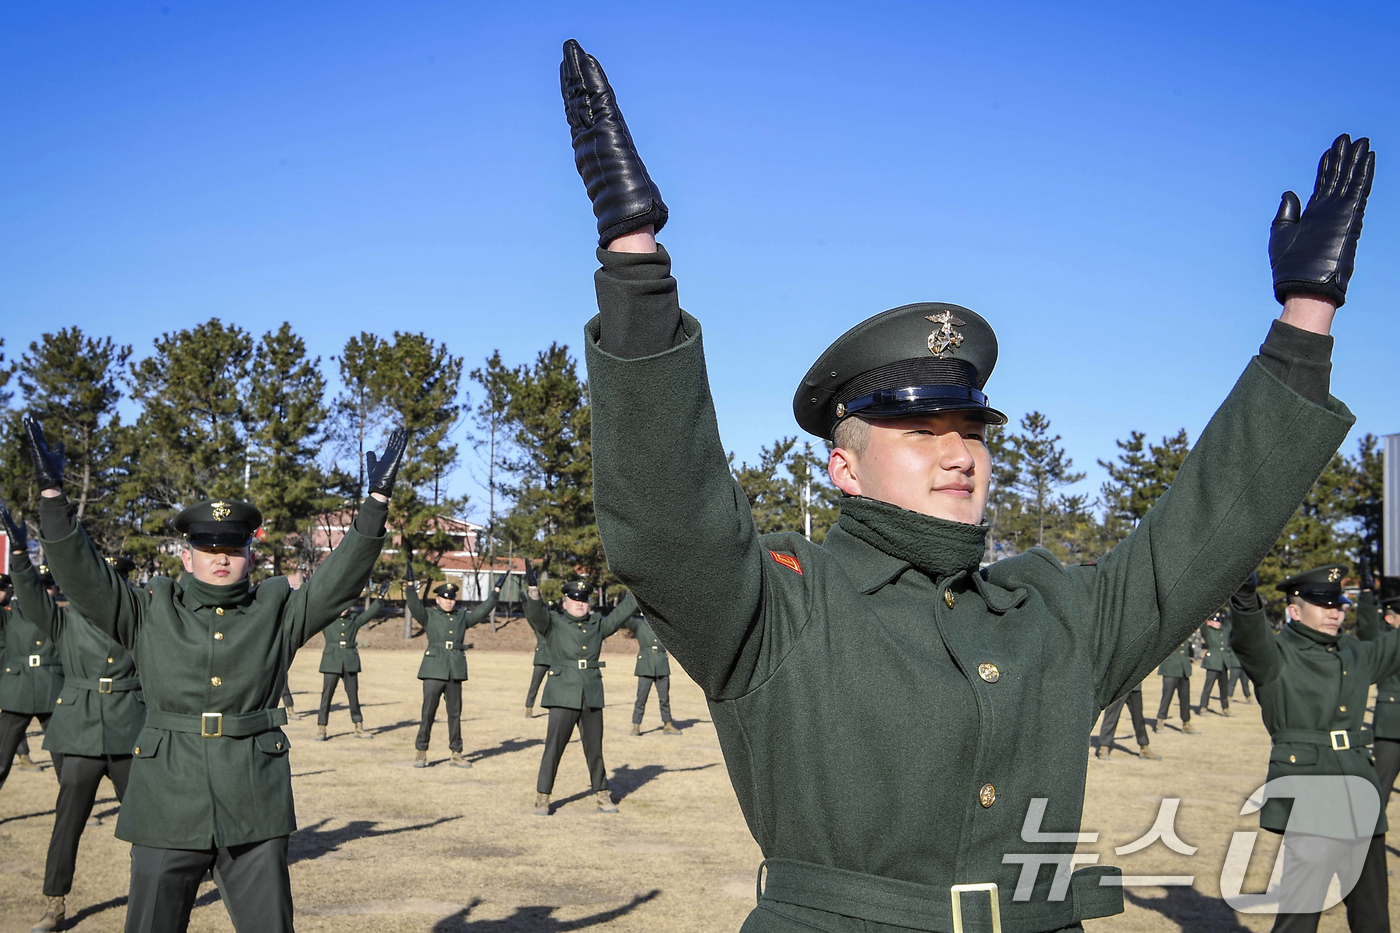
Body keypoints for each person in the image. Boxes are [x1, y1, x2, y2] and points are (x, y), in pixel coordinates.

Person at [558, 38, 1371, 932]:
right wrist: (637, 263)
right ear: (843, 466)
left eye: (972, 431)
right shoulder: (785, 606)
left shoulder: (1050, 612)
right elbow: (669, 520)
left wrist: (1306, 317)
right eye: (920, 431)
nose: (960, 454)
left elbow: (1205, 529)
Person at [27, 415, 406, 933]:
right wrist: (52, 498)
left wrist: (375, 506)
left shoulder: (277, 610)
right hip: (167, 798)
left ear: (251, 554)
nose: (221, 558)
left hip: (253, 799)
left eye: (233, 547)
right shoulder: (147, 610)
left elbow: (338, 584)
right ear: (187, 555)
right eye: (209, 547)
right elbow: (82, 575)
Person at [1231, 567, 1398, 932]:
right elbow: (1247, 633)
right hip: (1309, 790)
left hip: (1359, 791)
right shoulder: (1275, 655)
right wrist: (1244, 590)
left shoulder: (1353, 651)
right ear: (1294, 610)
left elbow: (1394, 646)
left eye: (1338, 603)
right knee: (1301, 915)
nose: (1335, 612)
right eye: (1322, 604)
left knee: (1373, 913)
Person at [2, 506, 144, 933]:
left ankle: (154, 895)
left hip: (128, 732)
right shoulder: (65, 622)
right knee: (67, 825)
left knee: (146, 824)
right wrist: (20, 556)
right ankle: (54, 904)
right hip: (79, 732)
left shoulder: (139, 621)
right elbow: (28, 594)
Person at [525, 564, 636, 815]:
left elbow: (620, 615)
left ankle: (602, 794)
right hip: (563, 691)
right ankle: (543, 796)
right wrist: (533, 591)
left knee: (595, 748)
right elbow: (537, 615)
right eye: (575, 599)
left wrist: (638, 588)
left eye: (584, 600)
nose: (580, 603)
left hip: (591, 691)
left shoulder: (597, 624)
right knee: (553, 747)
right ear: (565, 603)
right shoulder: (553, 623)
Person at [407, 575, 502, 768]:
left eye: (452, 599)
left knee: (455, 714)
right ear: (438, 600)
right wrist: (410, 587)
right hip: (434, 669)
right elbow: (414, 604)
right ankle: (421, 751)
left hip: (455, 670)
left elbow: (482, 611)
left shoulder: (462, 617)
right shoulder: (429, 615)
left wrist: (496, 593)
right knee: (428, 713)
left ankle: (456, 752)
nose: (449, 602)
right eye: (445, 598)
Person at [0, 561, 64, 793]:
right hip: (18, 691)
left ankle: (75, 812)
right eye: (40, 586)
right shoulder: (9, 614)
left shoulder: (62, 615)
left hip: (53, 689)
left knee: (64, 759)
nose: (47, 591)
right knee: (2, 755)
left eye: (50, 586)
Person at [316, 584, 385, 740]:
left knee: (353, 696)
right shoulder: (327, 620)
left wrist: (380, 599)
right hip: (331, 660)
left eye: (347, 606)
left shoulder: (353, 620)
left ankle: (358, 726)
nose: (344, 609)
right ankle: (322, 728)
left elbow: (368, 615)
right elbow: (316, 609)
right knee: (326, 696)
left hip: (349, 660)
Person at [1354, 586, 1400, 813]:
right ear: (1389, 617)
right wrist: (1366, 595)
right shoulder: (1383, 639)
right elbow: (1367, 631)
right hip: (1392, 727)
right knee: (1379, 791)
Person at [625, 610, 679, 735]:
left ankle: (667, 724)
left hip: (661, 665)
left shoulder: (663, 626)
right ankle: (636, 726)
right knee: (641, 699)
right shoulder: (639, 625)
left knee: (664, 698)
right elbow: (625, 618)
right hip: (645, 666)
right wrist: (630, 603)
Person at [1094, 681, 1159, 760]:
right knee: (1111, 717)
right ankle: (1103, 748)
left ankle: (1144, 748)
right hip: (1117, 688)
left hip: (1135, 686)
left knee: (1139, 718)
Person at [1154, 638, 1197, 734]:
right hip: (1170, 667)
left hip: (1184, 668)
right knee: (1167, 697)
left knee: (1185, 698)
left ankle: (1186, 723)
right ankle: (1160, 721)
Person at [1198, 614, 1234, 716]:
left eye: (1219, 621)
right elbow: (1203, 626)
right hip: (1213, 662)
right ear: (1211, 622)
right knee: (1208, 687)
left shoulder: (1223, 631)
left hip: (1223, 662)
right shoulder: (1208, 631)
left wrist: (1227, 613)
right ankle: (1203, 707)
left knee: (1224, 688)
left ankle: (1225, 708)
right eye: (1215, 621)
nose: (1218, 623)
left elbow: (1229, 624)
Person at [525, 619, 551, 719]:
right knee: (534, 684)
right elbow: (531, 617)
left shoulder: (557, 627)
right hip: (542, 658)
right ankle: (529, 707)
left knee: (554, 686)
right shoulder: (539, 627)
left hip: (555, 658)